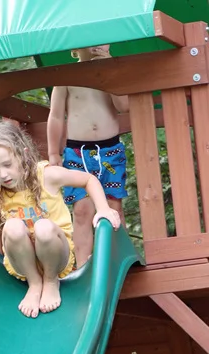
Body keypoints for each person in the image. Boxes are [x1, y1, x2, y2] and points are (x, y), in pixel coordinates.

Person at [0, 119, 120, 318]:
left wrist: (103, 208)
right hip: (22, 262)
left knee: (44, 227)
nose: (3, 174)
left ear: (24, 154)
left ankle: (50, 281)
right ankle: (34, 283)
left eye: (7, 164)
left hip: (57, 256)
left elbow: (88, 179)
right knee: (12, 226)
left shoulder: (46, 176)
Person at [47, 44, 129, 270]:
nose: (98, 44)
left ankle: (119, 260)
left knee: (113, 206)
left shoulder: (112, 72)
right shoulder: (66, 76)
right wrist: (53, 152)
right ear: (74, 46)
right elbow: (56, 116)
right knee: (82, 210)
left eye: (104, 40)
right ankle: (83, 265)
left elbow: (124, 105)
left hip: (110, 151)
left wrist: (110, 69)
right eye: (93, 39)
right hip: (77, 153)